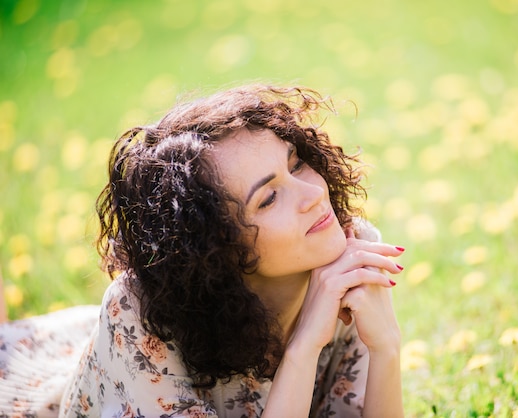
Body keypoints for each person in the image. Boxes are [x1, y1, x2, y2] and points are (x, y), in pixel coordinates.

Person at [0, 85, 404, 417]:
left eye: (296, 164)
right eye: (268, 198)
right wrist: (303, 350)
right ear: (216, 245)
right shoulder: (138, 314)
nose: (315, 194)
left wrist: (386, 347)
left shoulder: (345, 257)